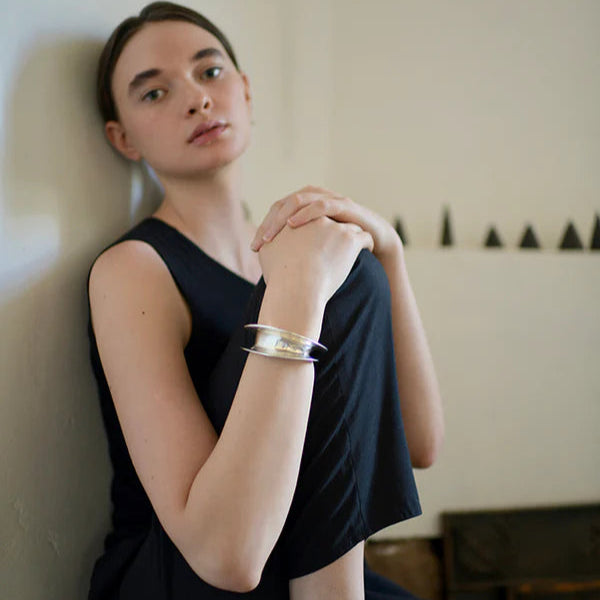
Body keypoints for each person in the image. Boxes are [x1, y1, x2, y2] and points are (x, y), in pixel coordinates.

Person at [86, 2, 444, 598]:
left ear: (246, 91)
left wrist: (390, 254)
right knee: (338, 270)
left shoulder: (296, 249)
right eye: (154, 93)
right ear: (123, 138)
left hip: (302, 560)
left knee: (346, 263)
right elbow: (224, 556)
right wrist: (300, 290)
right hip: (190, 568)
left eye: (210, 71)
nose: (197, 99)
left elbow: (419, 444)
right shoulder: (133, 269)